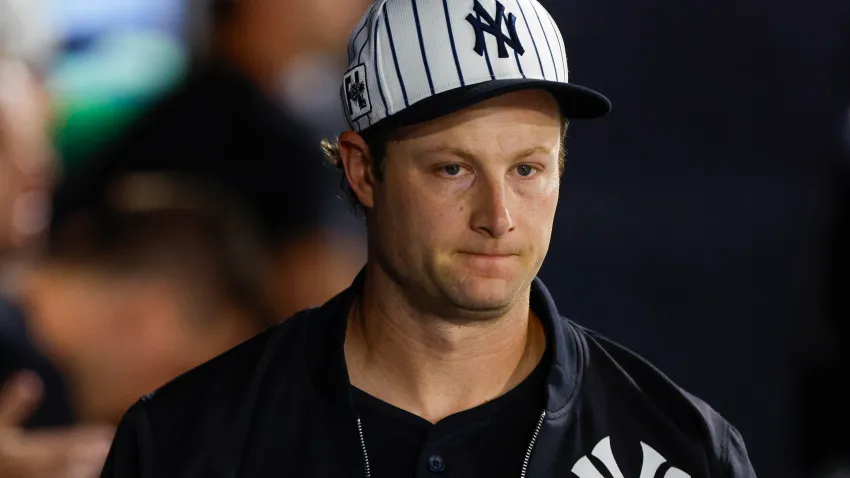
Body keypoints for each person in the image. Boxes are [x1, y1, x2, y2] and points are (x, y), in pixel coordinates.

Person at [101, 1, 757, 477]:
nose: (497, 216)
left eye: (527, 169)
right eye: (453, 169)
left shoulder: (686, 449)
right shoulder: (188, 440)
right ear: (362, 170)